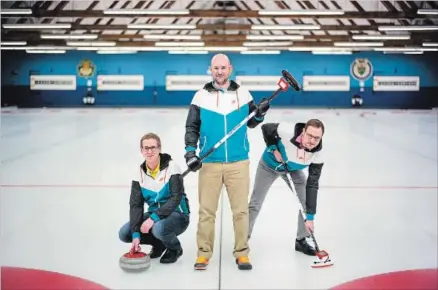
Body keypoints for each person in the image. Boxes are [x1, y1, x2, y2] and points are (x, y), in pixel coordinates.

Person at [184, 53, 270, 270]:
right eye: (216, 68)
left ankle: (242, 253)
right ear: (210, 70)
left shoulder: (243, 93)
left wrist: (260, 114)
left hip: (238, 162)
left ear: (230, 69)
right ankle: (203, 253)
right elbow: (191, 127)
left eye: (223, 68)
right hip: (209, 162)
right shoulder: (200, 96)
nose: (220, 72)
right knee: (207, 212)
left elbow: (252, 122)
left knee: (241, 211)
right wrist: (190, 153)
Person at [247, 119, 325, 256]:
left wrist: (310, 217)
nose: (312, 141)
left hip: (292, 170)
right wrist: (273, 148)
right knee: (255, 203)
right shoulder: (288, 130)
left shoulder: (318, 154)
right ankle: (243, 239)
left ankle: (301, 240)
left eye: (316, 138)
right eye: (309, 136)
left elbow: (312, 184)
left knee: (306, 204)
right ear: (303, 131)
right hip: (268, 166)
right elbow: (267, 128)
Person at [118, 133, 190, 264]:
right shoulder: (138, 173)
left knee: (158, 228)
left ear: (159, 149)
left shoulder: (172, 167)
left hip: (178, 215)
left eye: (153, 147)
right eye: (146, 148)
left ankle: (175, 249)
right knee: (125, 233)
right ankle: (159, 244)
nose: (149, 151)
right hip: (155, 214)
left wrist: (153, 218)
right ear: (141, 150)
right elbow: (136, 205)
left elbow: (175, 199)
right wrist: (135, 235)